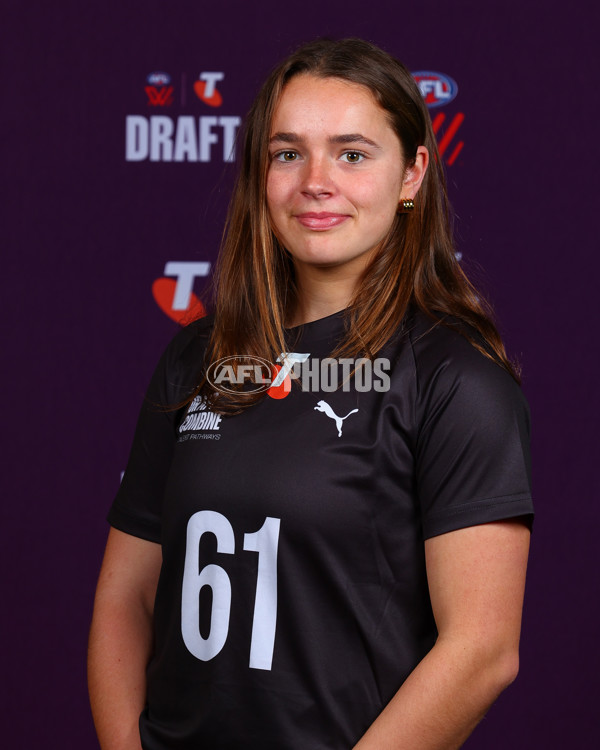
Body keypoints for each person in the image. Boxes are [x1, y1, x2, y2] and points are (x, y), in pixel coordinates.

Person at [88, 38, 533, 750]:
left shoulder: (454, 377)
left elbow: (481, 651)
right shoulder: (197, 357)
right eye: (288, 152)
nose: (315, 181)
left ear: (413, 172)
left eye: (353, 154)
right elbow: (125, 595)